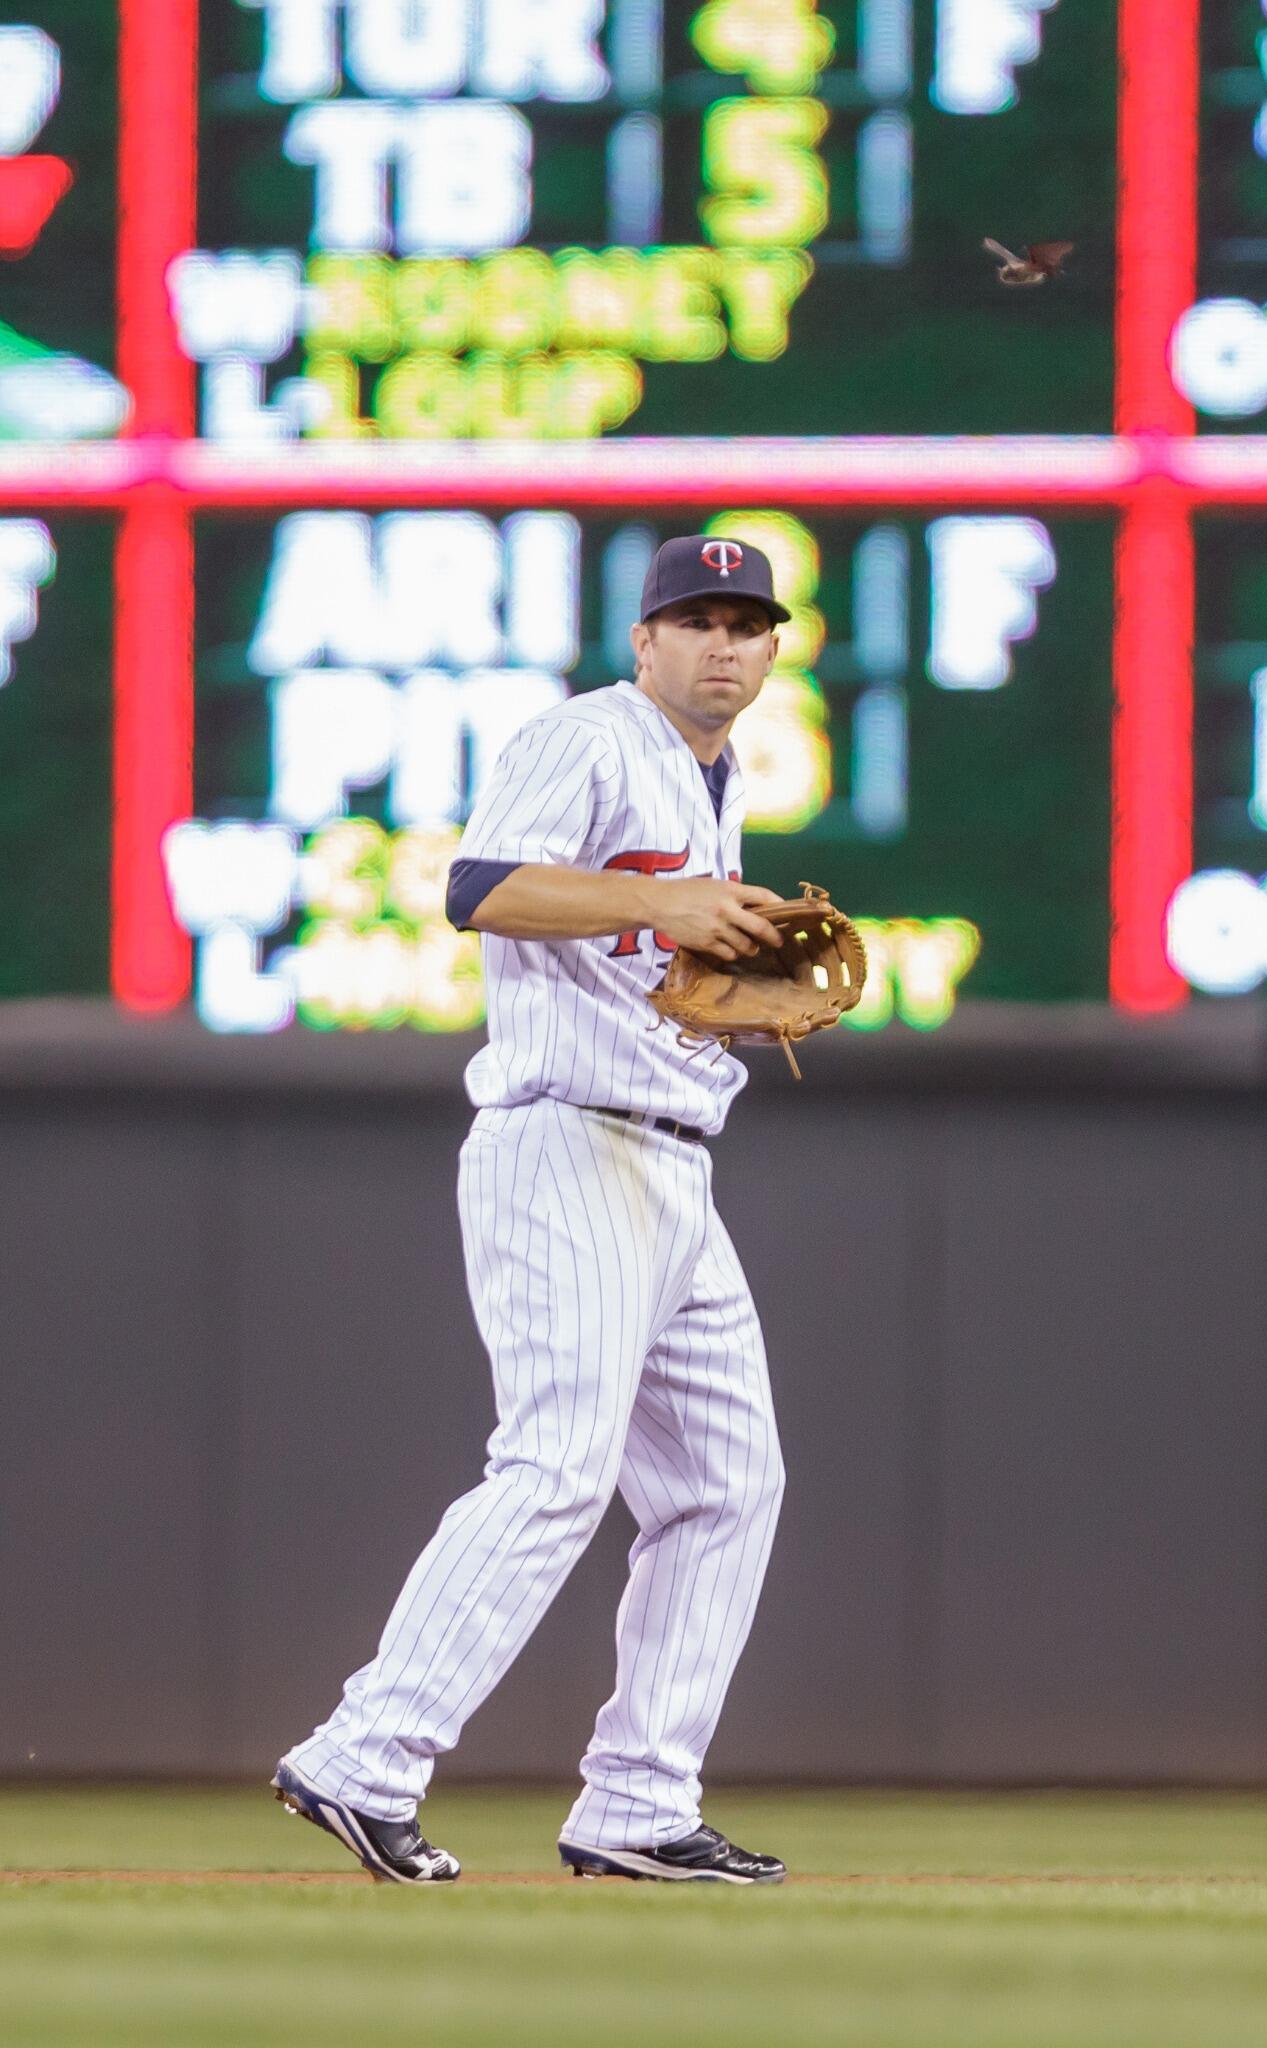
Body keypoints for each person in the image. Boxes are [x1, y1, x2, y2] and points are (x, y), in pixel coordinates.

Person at [273, 536, 794, 1886]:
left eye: (748, 623)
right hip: (569, 1142)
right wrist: (662, 902)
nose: (723, 645)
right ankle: (363, 1756)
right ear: (645, 640)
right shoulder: (595, 737)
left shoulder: (708, 778)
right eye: (697, 620)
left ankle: (636, 1804)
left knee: (730, 1485)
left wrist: (717, 988)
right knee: (559, 1462)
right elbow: (477, 888)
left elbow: (644, 947)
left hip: (675, 1160)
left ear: (775, 649)